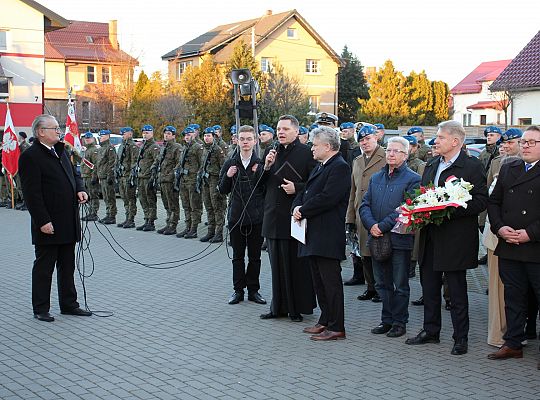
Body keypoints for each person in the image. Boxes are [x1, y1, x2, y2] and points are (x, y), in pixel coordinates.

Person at [405, 120, 488, 355]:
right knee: (428, 286)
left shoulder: (471, 166)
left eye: (440, 137)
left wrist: (449, 207)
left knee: (457, 290)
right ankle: (430, 330)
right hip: (431, 236)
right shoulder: (432, 164)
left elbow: (481, 201)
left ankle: (460, 337)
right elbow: (423, 194)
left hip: (456, 239)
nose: (436, 141)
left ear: (455, 141)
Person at [18, 114, 92, 322]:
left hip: (68, 219)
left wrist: (80, 189)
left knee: (67, 265)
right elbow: (32, 194)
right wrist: (42, 221)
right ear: (41, 132)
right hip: (49, 222)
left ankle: (69, 304)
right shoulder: (31, 156)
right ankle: (40, 308)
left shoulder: (61, 150)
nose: (59, 132)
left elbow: (74, 174)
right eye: (54, 129)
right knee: (44, 267)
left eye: (58, 129)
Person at [487, 125, 540, 370]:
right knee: (513, 297)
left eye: (533, 142)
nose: (526, 145)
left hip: (535, 246)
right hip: (509, 244)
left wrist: (530, 233)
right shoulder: (509, 168)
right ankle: (513, 343)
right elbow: (494, 202)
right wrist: (499, 227)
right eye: (525, 141)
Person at [291, 126, 351, 340]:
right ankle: (325, 320)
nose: (312, 149)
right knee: (318, 280)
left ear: (327, 146)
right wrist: (296, 208)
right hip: (312, 232)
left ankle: (337, 327)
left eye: (315, 145)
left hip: (326, 233)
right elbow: (306, 191)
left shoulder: (340, 167)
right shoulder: (321, 166)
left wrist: (303, 210)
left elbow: (328, 198)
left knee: (330, 282)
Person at [360, 137, 421, 338]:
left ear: (406, 155)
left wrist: (382, 225)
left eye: (396, 151)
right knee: (381, 283)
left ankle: (399, 322)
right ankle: (386, 320)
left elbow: (406, 208)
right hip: (377, 238)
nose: (391, 154)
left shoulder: (413, 179)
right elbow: (364, 204)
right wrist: (371, 225)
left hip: (399, 240)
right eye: (388, 151)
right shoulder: (377, 177)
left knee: (400, 284)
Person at [259, 114, 317, 322]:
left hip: (293, 217)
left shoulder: (306, 153)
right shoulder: (270, 152)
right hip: (272, 216)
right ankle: (277, 307)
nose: (280, 132)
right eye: (278, 129)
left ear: (296, 131)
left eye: (285, 129)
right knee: (275, 266)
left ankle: (295, 308)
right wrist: (266, 167)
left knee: (293, 266)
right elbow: (261, 185)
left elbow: (315, 184)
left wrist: (297, 188)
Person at [219, 125, 266, 306]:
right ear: (237, 141)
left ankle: (253, 291)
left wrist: (259, 173)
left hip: (255, 218)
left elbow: (265, 189)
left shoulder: (260, 163)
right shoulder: (230, 163)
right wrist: (228, 176)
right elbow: (222, 190)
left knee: (255, 257)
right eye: (242, 139)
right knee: (237, 256)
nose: (245, 142)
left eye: (249, 139)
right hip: (236, 217)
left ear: (255, 141)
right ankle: (238, 291)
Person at [345, 124, 386, 301]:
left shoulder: (386, 157)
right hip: (361, 214)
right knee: (364, 253)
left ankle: (381, 288)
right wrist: (350, 217)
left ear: (376, 137)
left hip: (379, 214)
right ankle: (370, 287)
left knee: (379, 254)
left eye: (368, 138)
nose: (364, 143)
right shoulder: (357, 161)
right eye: (361, 140)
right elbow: (352, 192)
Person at [199, 126, 226, 243]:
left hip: (215, 180)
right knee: (209, 206)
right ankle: (211, 231)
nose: (206, 138)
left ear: (213, 137)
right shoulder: (204, 149)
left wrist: (221, 183)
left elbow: (223, 167)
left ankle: (218, 233)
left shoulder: (217, 150)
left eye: (209, 136)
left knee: (217, 207)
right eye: (205, 136)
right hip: (206, 180)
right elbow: (202, 165)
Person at [176, 127, 204, 239]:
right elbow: (180, 163)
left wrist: (198, 177)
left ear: (194, 134)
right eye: (185, 135)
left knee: (194, 206)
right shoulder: (184, 147)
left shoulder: (198, 147)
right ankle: (188, 227)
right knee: (186, 205)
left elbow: (202, 163)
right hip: (183, 180)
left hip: (192, 180)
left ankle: (194, 229)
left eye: (189, 135)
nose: (187, 137)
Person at [155, 126, 183, 235]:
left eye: (169, 134)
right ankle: (168, 222)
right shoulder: (163, 147)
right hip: (162, 179)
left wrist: (171, 175)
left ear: (173, 136)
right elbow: (158, 160)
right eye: (165, 133)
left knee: (173, 204)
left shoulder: (177, 147)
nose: (166, 135)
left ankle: (173, 225)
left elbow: (179, 163)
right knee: (166, 203)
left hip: (170, 180)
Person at [135, 125, 161, 232]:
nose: (145, 134)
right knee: (142, 199)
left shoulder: (154, 147)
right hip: (141, 176)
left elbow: (157, 162)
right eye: (144, 133)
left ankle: (151, 221)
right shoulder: (143, 146)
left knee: (150, 200)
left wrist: (153, 178)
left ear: (152, 133)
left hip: (148, 177)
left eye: (147, 133)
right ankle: (146, 219)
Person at [116, 127, 139, 229]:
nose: (123, 136)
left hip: (128, 176)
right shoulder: (122, 146)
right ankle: (127, 217)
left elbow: (134, 162)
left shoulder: (133, 146)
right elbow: (118, 160)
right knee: (125, 198)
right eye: (122, 134)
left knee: (130, 198)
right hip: (122, 175)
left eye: (124, 134)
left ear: (130, 134)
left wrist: (131, 176)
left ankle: (131, 219)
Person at [96, 129, 117, 224]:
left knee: (110, 196)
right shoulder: (101, 149)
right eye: (100, 136)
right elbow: (99, 164)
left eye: (102, 136)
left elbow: (112, 163)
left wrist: (110, 176)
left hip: (107, 176)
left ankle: (112, 216)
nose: (100, 138)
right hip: (102, 176)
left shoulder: (110, 148)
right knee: (105, 197)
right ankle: (108, 214)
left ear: (108, 136)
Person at [80, 132, 100, 222]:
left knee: (93, 195)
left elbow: (95, 165)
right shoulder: (87, 150)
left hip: (90, 176)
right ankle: (90, 212)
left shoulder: (93, 150)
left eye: (89, 138)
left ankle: (94, 213)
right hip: (85, 175)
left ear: (93, 139)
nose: (87, 140)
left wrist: (94, 177)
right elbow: (83, 162)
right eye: (86, 138)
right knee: (88, 195)